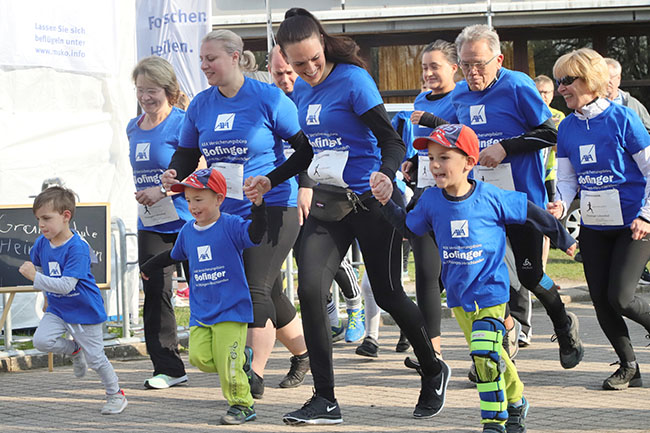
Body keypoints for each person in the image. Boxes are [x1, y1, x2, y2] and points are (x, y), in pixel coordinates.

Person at [245, 8, 450, 424]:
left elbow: (391, 140)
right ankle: (325, 399)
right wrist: (270, 179)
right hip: (328, 205)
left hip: (371, 203)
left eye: (314, 59)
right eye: (298, 64)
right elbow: (308, 151)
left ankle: (432, 368)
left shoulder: (354, 80)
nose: (309, 69)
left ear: (323, 44)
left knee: (389, 294)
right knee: (310, 292)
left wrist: (386, 174)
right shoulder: (302, 91)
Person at [372, 123, 577, 433]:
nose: (435, 165)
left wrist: (564, 238)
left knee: (484, 355)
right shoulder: (430, 201)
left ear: (469, 162)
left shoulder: (491, 197)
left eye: (444, 158)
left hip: (492, 293)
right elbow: (409, 228)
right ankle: (517, 401)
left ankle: (494, 422)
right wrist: (387, 203)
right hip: (459, 297)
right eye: (431, 158)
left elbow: (532, 212)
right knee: (491, 356)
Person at [161, 30, 310, 398]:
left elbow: (304, 149)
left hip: (274, 206)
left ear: (235, 57)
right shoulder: (200, 105)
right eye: (201, 59)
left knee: (254, 287)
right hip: (228, 213)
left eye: (211, 58)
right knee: (269, 290)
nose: (204, 65)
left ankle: (251, 373)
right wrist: (174, 172)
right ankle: (305, 354)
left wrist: (287, 183)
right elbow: (187, 152)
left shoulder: (268, 98)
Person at [449, 24, 584, 369]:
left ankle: (563, 324)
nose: (472, 72)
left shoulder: (517, 85)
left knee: (530, 275)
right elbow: (452, 137)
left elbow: (550, 132)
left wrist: (505, 147)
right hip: (482, 203)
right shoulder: (460, 95)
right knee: (483, 272)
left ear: (498, 60)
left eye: (479, 64)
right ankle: (502, 338)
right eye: (465, 65)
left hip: (521, 199)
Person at [550, 48, 650, 390]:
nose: (561, 88)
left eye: (567, 80)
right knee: (602, 300)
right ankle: (629, 366)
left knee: (620, 297)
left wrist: (647, 216)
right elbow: (567, 179)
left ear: (591, 80)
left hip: (634, 224)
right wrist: (561, 204)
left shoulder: (624, 119)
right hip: (594, 226)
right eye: (559, 81)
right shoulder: (567, 128)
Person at [141, 168, 266, 424]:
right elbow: (173, 255)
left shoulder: (231, 224)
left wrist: (258, 207)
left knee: (228, 365)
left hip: (231, 309)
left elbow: (256, 234)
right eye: (188, 200)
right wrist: (149, 266)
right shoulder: (188, 230)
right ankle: (243, 359)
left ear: (219, 199)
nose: (193, 206)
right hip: (201, 311)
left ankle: (242, 405)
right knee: (200, 359)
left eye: (199, 199)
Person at [268, 44, 366, 344]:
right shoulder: (272, 100)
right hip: (283, 195)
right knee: (305, 260)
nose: (286, 79)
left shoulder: (310, 95)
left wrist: (306, 186)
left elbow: (311, 149)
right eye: (278, 74)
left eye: (290, 72)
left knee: (331, 259)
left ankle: (355, 307)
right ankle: (330, 318)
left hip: (320, 187)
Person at [18, 186, 127, 415]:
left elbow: (67, 285)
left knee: (96, 359)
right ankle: (75, 350)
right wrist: (45, 296)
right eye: (38, 219)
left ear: (66, 216)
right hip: (58, 308)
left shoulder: (78, 248)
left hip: (84, 310)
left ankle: (116, 394)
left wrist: (34, 278)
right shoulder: (41, 243)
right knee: (41, 341)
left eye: (47, 218)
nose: (41, 225)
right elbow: (41, 268)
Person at [127, 55, 191, 390]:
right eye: (140, 90)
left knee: (206, 288)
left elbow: (201, 171)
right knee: (155, 292)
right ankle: (168, 367)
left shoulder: (183, 123)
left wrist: (163, 190)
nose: (145, 97)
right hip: (152, 224)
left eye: (151, 90)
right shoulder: (132, 127)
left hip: (189, 219)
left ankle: (227, 356)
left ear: (168, 90)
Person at [604, 58, 650, 132]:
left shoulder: (633, 105)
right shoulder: (589, 105)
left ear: (618, 79)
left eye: (610, 77)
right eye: (603, 77)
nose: (607, 81)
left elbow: (647, 130)